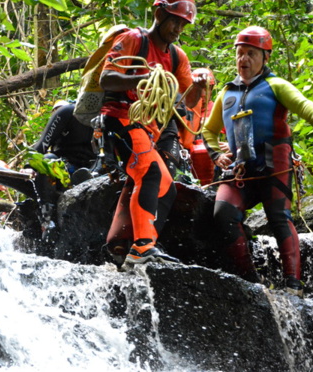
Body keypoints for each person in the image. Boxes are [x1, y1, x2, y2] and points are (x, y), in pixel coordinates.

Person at [201, 26, 313, 296]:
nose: (243, 59)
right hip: (240, 168)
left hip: (273, 163)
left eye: (250, 54)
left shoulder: (275, 85)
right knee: (224, 213)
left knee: (278, 217)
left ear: (265, 57)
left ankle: (292, 283)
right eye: (240, 53)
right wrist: (216, 155)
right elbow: (208, 129)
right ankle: (251, 281)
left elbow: (304, 105)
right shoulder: (226, 92)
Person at [99, 0, 208, 266]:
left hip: (147, 128)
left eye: (183, 24)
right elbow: (106, 79)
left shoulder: (176, 57)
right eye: (174, 21)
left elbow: (184, 102)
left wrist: (198, 86)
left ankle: (124, 247)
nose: (178, 29)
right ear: (159, 14)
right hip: (119, 118)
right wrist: (143, 79)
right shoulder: (133, 40)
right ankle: (142, 247)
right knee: (150, 174)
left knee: (166, 188)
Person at [32, 100, 99, 185]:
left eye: (58, 110)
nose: (55, 112)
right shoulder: (64, 114)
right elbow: (43, 144)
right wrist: (29, 167)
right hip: (62, 169)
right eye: (54, 111)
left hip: (90, 169)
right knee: (49, 158)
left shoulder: (69, 114)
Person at [179, 67, 216, 185]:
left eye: (207, 89)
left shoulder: (215, 108)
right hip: (183, 155)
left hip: (208, 158)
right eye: (201, 89)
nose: (204, 94)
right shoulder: (183, 106)